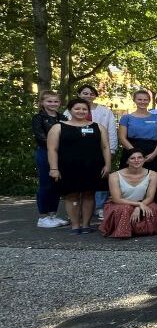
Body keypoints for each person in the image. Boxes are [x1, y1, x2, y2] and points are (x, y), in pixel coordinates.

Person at [47, 98, 111, 234]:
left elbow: (105, 147)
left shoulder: (98, 127)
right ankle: (75, 225)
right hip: (68, 167)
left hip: (93, 166)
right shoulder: (58, 127)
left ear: (88, 111)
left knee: (89, 195)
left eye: (84, 109)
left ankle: (86, 225)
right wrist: (53, 168)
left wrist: (108, 165)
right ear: (70, 110)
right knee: (71, 196)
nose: (81, 111)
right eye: (77, 108)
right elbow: (52, 149)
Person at [99, 148, 157, 238]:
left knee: (153, 207)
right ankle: (123, 231)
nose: (137, 160)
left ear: (144, 159)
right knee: (125, 209)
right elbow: (117, 199)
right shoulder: (114, 176)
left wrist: (139, 207)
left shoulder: (153, 174)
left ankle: (141, 230)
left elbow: (150, 197)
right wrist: (138, 204)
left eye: (140, 157)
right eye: (132, 158)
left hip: (143, 202)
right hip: (121, 203)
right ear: (127, 161)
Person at [32, 90, 66, 228]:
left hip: (61, 153)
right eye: (49, 101)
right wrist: (54, 145)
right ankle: (43, 216)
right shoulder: (38, 118)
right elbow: (40, 137)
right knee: (45, 183)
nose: (53, 104)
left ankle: (53, 215)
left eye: (56, 101)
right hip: (45, 153)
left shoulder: (63, 117)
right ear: (42, 103)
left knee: (56, 184)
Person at [117, 89, 157, 168]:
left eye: (145, 100)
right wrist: (136, 154)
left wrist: (155, 153)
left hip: (152, 153)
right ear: (134, 100)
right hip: (131, 151)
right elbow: (122, 138)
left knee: (153, 178)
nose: (142, 102)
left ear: (149, 101)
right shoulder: (126, 118)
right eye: (139, 99)